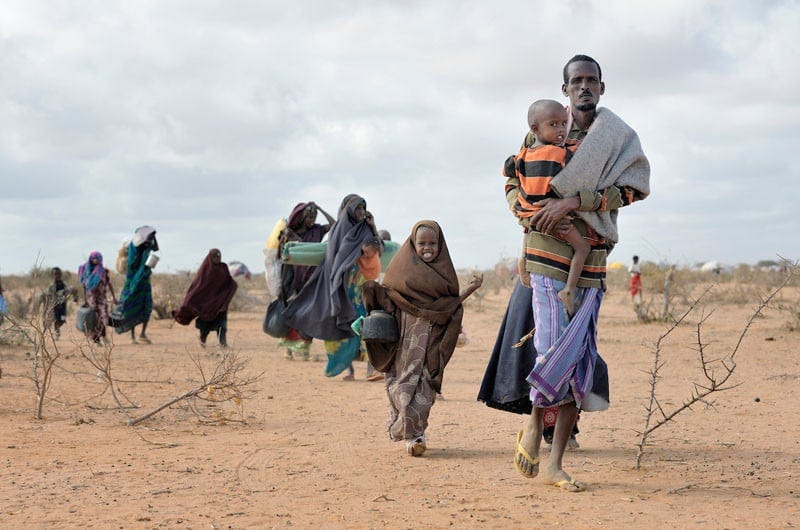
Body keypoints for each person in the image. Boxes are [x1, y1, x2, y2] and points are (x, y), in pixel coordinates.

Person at [503, 54, 650, 492]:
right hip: (546, 253)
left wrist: (576, 200)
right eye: (576, 81)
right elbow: (513, 181)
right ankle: (534, 425)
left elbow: (634, 190)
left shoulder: (618, 138)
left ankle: (555, 460)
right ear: (565, 89)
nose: (584, 87)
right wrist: (526, 217)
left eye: (592, 80)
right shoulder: (542, 128)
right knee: (552, 348)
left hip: (592, 260)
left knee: (580, 358)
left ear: (602, 88)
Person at [362, 220, 483, 456]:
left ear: (441, 245)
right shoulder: (400, 272)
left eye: (432, 243)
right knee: (403, 386)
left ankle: (414, 433)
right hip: (404, 346)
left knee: (426, 389)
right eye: (422, 243)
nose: (428, 248)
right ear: (412, 244)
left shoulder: (445, 277)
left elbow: (449, 308)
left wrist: (469, 291)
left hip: (431, 345)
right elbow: (388, 300)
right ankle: (413, 436)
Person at [282, 194, 380, 379]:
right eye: (357, 209)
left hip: (361, 286)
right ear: (349, 209)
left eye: (363, 208)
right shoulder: (338, 230)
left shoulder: (366, 228)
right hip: (342, 286)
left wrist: (373, 226)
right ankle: (349, 370)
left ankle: (371, 368)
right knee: (344, 328)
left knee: (367, 325)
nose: (361, 212)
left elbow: (378, 247)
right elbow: (335, 258)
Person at [509, 99, 591, 317]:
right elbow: (580, 160)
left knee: (528, 230)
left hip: (529, 212)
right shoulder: (559, 153)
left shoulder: (523, 155)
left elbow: (509, 169)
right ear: (535, 129)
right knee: (582, 248)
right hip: (553, 215)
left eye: (564, 124)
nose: (562, 130)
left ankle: (524, 259)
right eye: (553, 125)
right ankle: (570, 290)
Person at [278, 201, 335, 360]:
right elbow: (285, 255)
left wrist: (321, 208)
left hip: (311, 277)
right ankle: (289, 350)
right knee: (293, 311)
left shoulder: (317, 230)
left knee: (309, 313)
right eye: (309, 217)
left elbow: (334, 224)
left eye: (314, 216)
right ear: (302, 218)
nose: (312, 220)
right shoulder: (290, 232)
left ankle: (304, 350)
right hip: (293, 279)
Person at [172, 249, 238, 348]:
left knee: (221, 324)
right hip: (207, 304)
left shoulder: (223, 267)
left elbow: (228, 281)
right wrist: (190, 301)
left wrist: (232, 285)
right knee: (205, 325)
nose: (218, 258)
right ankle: (203, 340)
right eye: (215, 256)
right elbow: (198, 286)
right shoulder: (206, 269)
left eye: (219, 256)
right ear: (210, 257)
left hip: (219, 302)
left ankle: (223, 343)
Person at [115, 226, 158, 344]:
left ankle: (143, 334)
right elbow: (133, 266)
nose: (150, 239)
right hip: (133, 284)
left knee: (147, 308)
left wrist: (152, 235)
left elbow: (156, 248)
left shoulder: (147, 247)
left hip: (144, 282)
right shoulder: (134, 248)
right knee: (132, 307)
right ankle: (133, 336)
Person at [78, 252, 117, 344]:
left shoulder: (103, 271)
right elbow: (85, 286)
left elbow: (109, 283)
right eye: (93, 258)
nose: (95, 260)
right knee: (93, 319)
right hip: (91, 299)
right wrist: (85, 300)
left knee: (103, 317)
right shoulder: (87, 272)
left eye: (97, 258)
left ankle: (103, 335)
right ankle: (96, 339)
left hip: (102, 298)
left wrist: (114, 297)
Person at [45, 267, 78, 339]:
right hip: (55, 306)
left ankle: (57, 329)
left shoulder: (63, 285)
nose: (57, 276)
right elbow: (48, 296)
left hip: (63, 306)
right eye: (55, 274)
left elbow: (67, 292)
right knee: (56, 319)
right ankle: (57, 332)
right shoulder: (51, 286)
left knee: (62, 320)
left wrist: (72, 296)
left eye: (59, 274)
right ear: (52, 275)